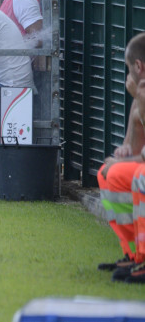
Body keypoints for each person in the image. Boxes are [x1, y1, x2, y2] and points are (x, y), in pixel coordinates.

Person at [96, 32, 145, 283]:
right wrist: (124, 151)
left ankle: (143, 257)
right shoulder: (141, 94)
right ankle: (133, 254)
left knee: (139, 178)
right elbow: (133, 146)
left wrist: (140, 98)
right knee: (106, 173)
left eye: (128, 68)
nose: (128, 75)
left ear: (138, 66)